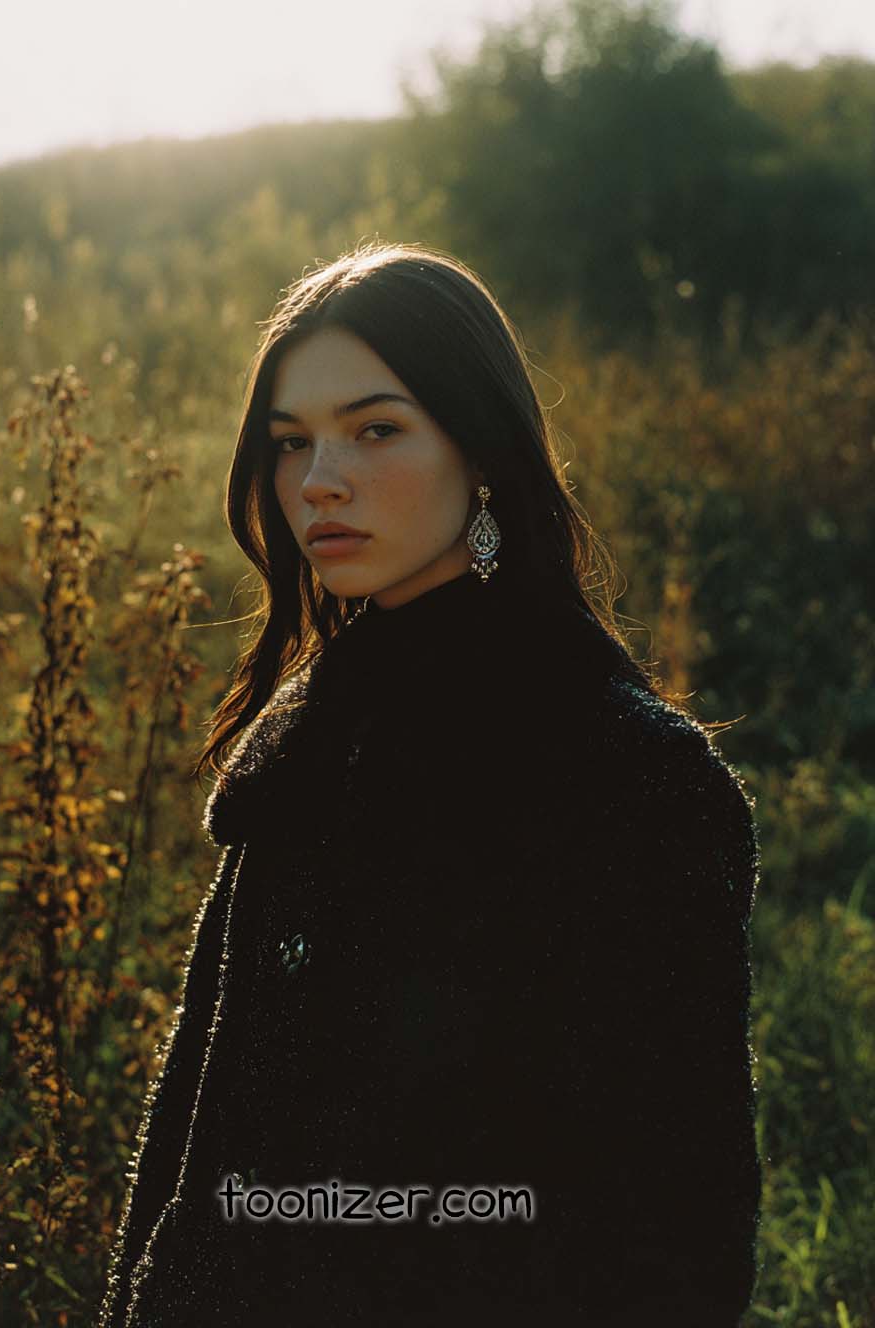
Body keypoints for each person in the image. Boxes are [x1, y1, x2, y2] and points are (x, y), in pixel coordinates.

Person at [97, 240, 763, 1326]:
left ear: (483, 448)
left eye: (375, 429)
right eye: (291, 443)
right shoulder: (308, 752)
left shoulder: (630, 781)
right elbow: (194, 1163)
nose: (319, 482)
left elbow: (676, 1227)